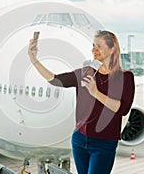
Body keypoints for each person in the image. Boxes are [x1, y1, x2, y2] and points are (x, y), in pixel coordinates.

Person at [28, 30, 135, 174]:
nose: (94, 50)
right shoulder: (86, 73)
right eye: (93, 45)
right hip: (79, 139)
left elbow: (122, 109)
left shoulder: (125, 77)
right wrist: (33, 58)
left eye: (99, 46)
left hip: (103, 143)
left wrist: (95, 92)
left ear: (112, 49)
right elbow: (55, 80)